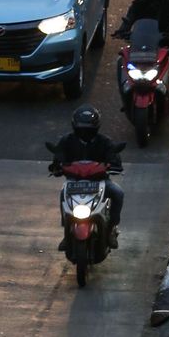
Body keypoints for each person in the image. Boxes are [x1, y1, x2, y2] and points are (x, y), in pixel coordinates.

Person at [50, 106, 124, 248]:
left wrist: (115, 165)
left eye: (88, 129)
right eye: (81, 129)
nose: (85, 132)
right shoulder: (67, 141)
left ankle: (110, 229)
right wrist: (56, 167)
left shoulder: (104, 141)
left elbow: (114, 156)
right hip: (74, 181)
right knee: (62, 194)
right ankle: (66, 232)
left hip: (100, 180)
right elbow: (58, 157)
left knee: (118, 193)